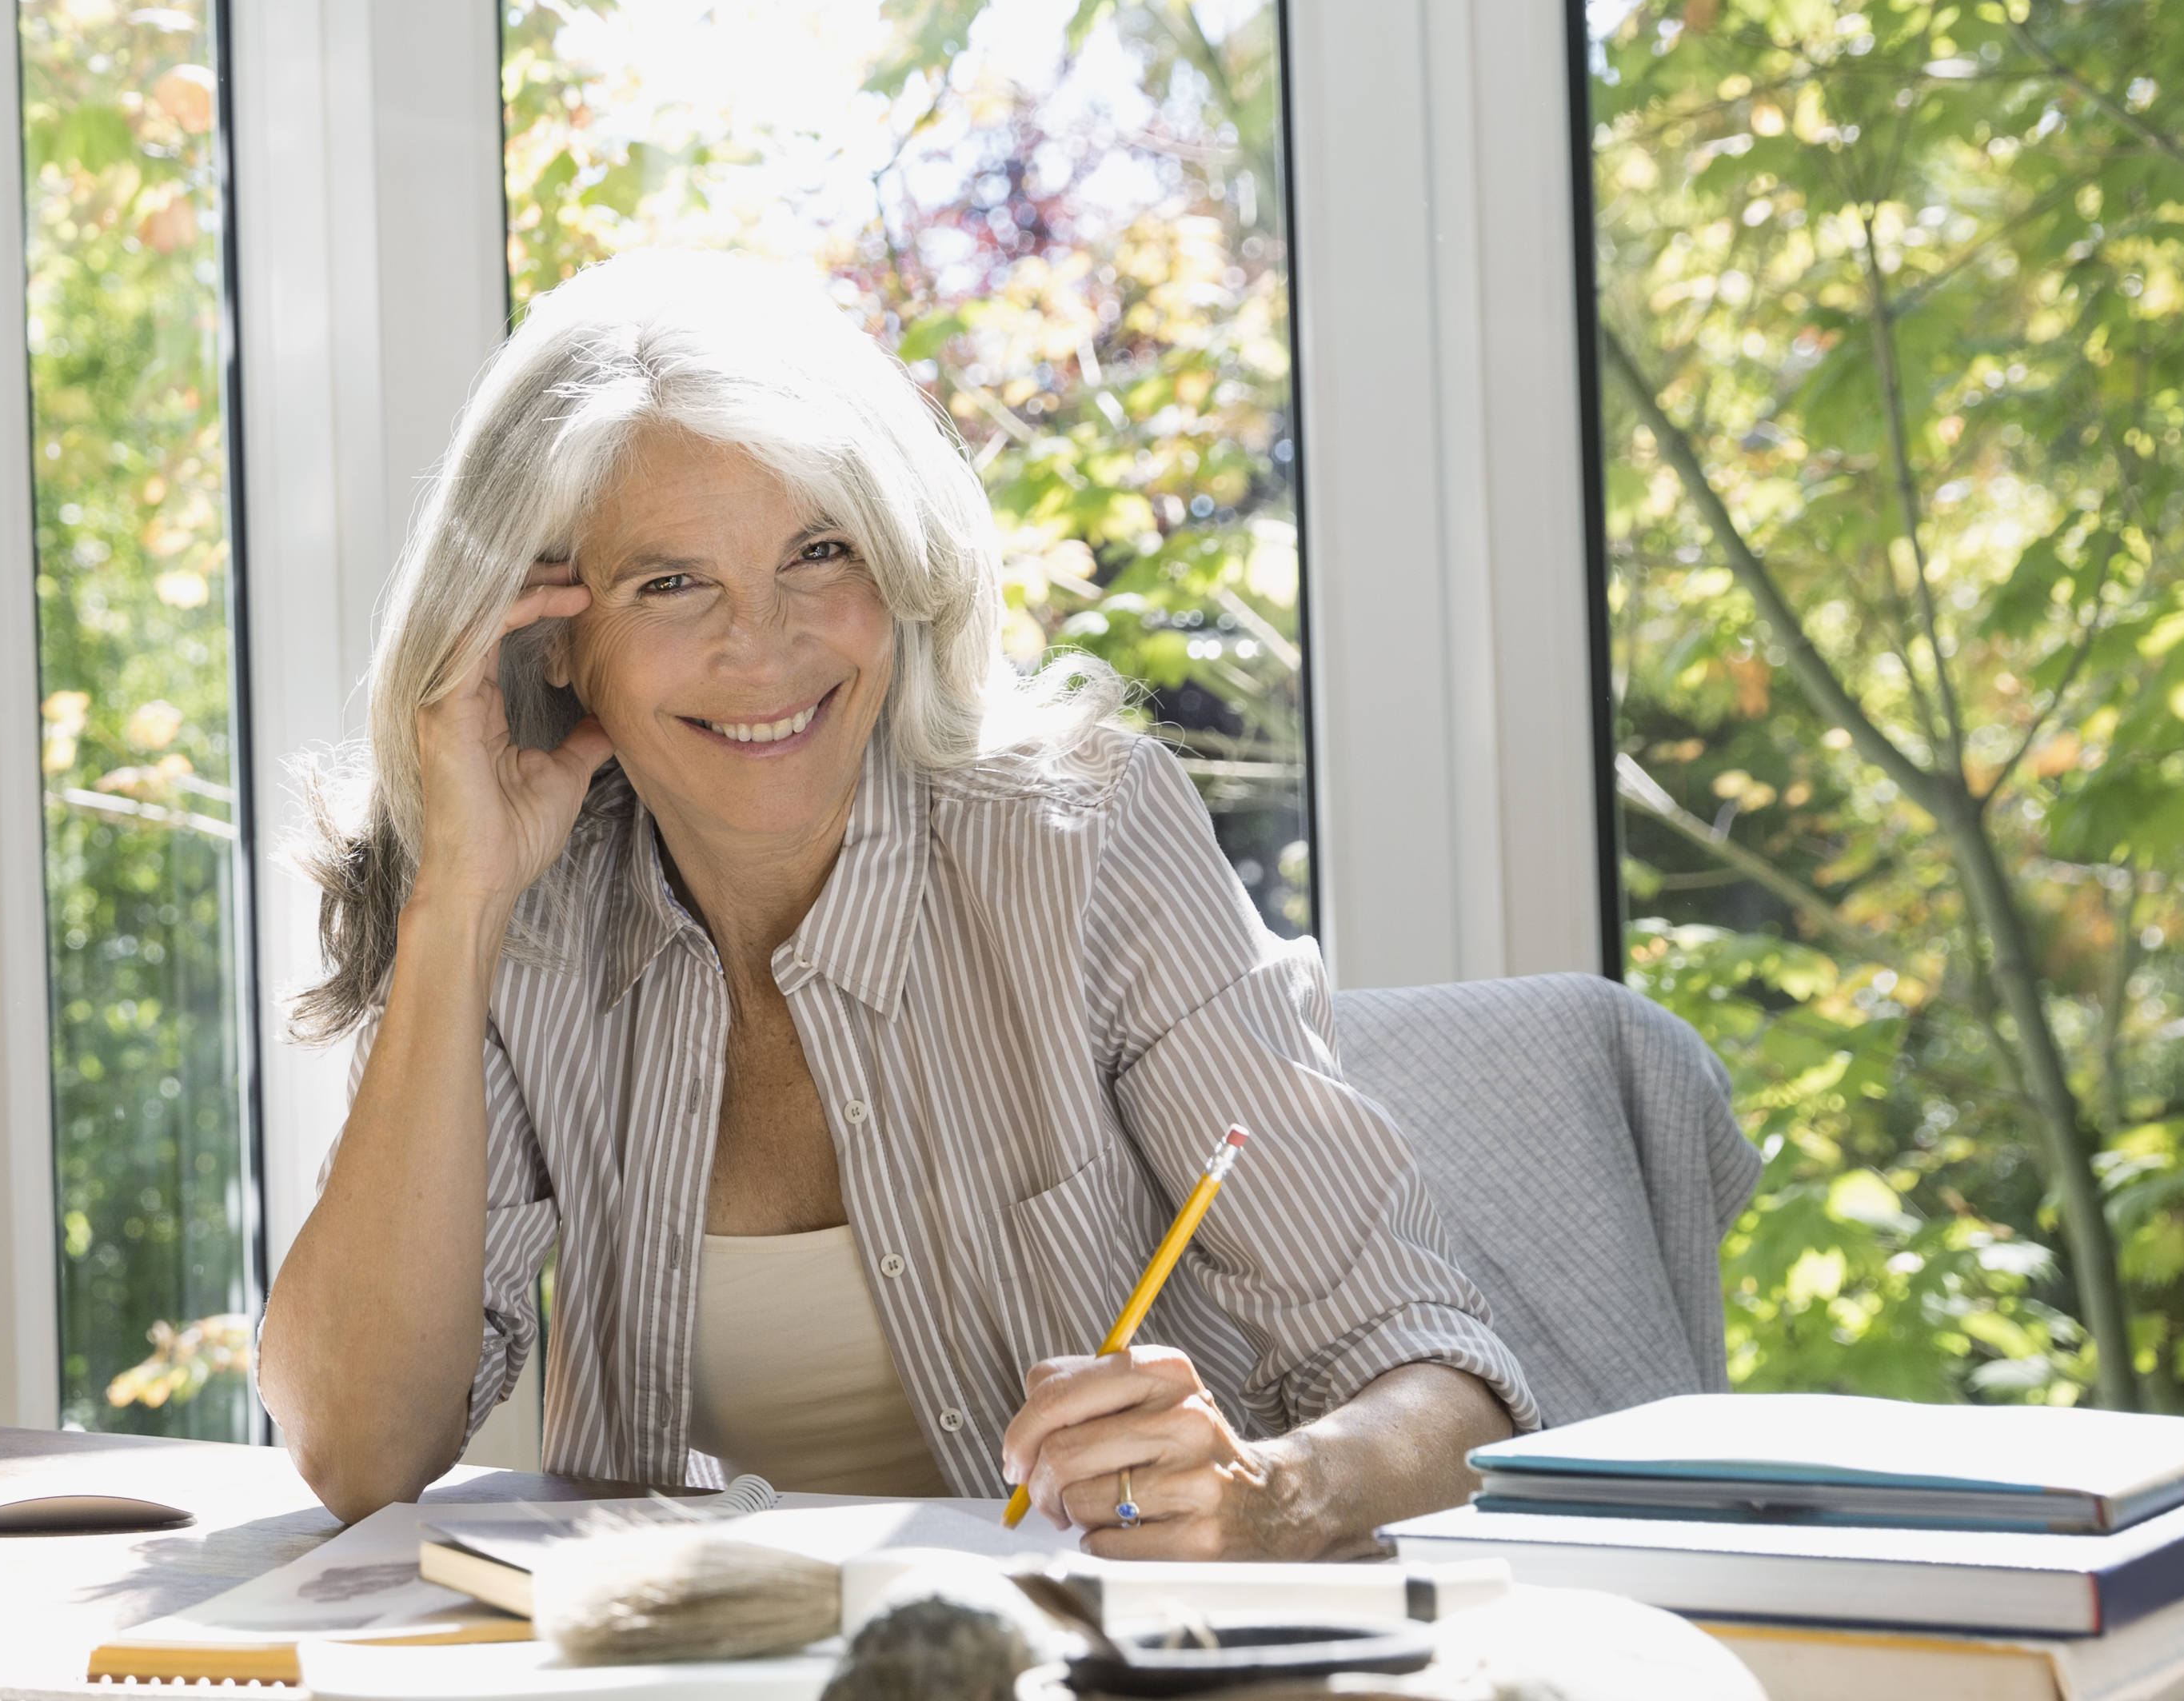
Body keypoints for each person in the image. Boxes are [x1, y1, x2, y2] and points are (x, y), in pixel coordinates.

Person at [256, 252, 1533, 1551]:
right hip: (681, 1700)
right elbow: (358, 1448)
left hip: (1075, 1683)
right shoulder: (524, 911)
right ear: (548, 636)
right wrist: (455, 904)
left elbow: (1447, 1383)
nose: (765, 646)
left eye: (820, 552)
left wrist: (1278, 1493)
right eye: (671, 583)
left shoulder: (1080, 839)